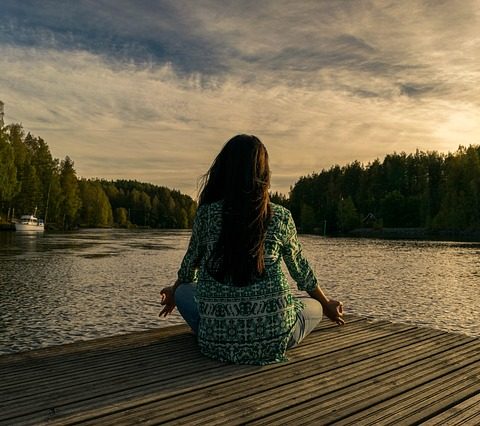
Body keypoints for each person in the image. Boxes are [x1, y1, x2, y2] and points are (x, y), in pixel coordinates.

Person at [159, 134, 344, 365]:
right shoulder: (280, 216)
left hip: (215, 343)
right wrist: (327, 305)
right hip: (274, 339)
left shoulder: (206, 214)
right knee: (313, 306)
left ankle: (220, 329)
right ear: (263, 174)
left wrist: (174, 291)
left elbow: (188, 269)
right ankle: (269, 325)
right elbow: (301, 272)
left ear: (224, 171)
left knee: (185, 291)